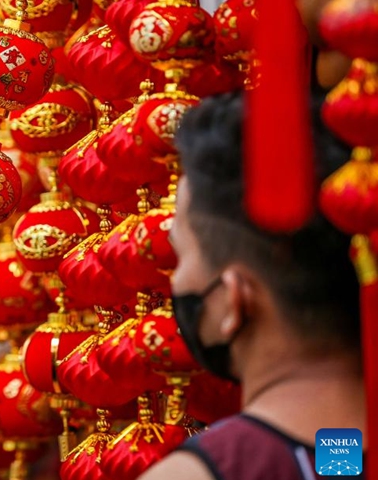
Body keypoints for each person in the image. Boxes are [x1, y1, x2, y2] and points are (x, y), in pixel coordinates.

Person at [138, 92, 365, 480]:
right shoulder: (344, 452)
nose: (174, 281)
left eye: (180, 257)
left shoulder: (206, 472)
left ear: (233, 299)